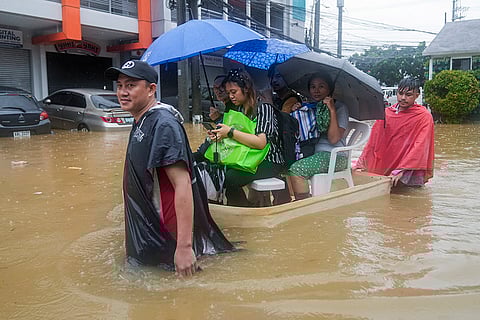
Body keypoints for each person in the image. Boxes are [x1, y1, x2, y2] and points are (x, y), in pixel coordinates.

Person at [104, 60, 234, 276]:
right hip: (148, 232)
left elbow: (182, 184)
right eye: (119, 86)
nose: (122, 92)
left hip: (165, 238)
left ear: (151, 89)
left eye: (131, 85)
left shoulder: (163, 125)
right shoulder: (141, 119)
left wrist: (183, 248)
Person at [210, 68, 288, 207]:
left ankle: (242, 211)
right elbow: (235, 136)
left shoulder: (264, 108)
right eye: (229, 93)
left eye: (234, 92)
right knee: (217, 169)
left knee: (229, 178)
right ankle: (242, 206)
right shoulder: (238, 109)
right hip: (247, 155)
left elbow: (260, 143)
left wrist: (230, 132)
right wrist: (220, 135)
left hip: (268, 159)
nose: (231, 96)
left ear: (246, 88)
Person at [354, 77, 434, 187]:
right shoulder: (386, 113)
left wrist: (402, 168)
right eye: (400, 93)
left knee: (411, 194)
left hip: (410, 166)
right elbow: (373, 142)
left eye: (408, 95)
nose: (403, 98)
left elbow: (420, 145)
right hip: (386, 162)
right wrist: (361, 164)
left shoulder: (423, 116)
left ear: (417, 95)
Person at [288, 72, 350, 200]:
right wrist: (297, 112)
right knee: (285, 164)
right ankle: (292, 200)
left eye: (321, 86)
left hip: (335, 156)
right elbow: (301, 134)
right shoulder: (310, 107)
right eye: (313, 87)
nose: (316, 91)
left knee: (297, 169)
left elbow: (333, 139)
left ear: (330, 89)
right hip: (312, 151)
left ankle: (304, 206)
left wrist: (332, 110)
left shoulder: (340, 107)